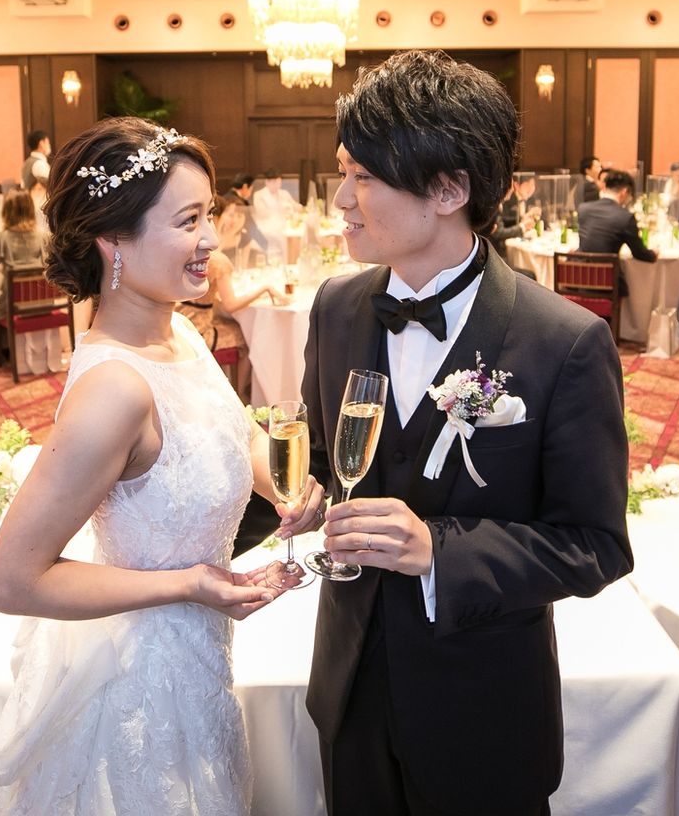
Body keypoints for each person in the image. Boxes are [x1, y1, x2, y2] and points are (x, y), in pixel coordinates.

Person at [0, 118, 321, 813]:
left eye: (208, 215)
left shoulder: (178, 332)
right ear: (112, 239)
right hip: (141, 686)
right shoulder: (114, 389)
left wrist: (290, 487)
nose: (212, 239)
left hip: (200, 659)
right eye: (187, 221)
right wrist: (189, 585)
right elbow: (10, 579)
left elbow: (235, 433)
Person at [301, 51, 633, 816]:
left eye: (363, 177)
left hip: (482, 707)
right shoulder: (336, 308)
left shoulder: (564, 342)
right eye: (342, 173)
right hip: (349, 690)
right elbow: (324, 462)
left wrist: (437, 550)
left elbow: (596, 545)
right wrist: (299, 498)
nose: (341, 201)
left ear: (449, 190)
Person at [175, 195, 287, 402]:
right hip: (201, 328)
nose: (234, 220)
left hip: (182, 318)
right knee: (247, 337)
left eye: (238, 215)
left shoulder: (199, 252)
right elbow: (231, 305)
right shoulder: (219, 260)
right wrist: (264, 289)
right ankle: (240, 394)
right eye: (230, 214)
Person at [0, 187, 48, 324]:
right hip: (42, 303)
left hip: (11, 306)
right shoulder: (44, 237)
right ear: (31, 209)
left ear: (6, 211)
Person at [251, 168, 300, 261]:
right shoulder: (259, 195)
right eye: (274, 183)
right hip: (266, 227)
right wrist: (280, 209)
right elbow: (262, 213)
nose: (277, 186)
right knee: (281, 237)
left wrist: (299, 207)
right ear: (267, 182)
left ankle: (290, 260)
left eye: (279, 183)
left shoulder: (284, 193)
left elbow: (295, 206)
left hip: (283, 225)